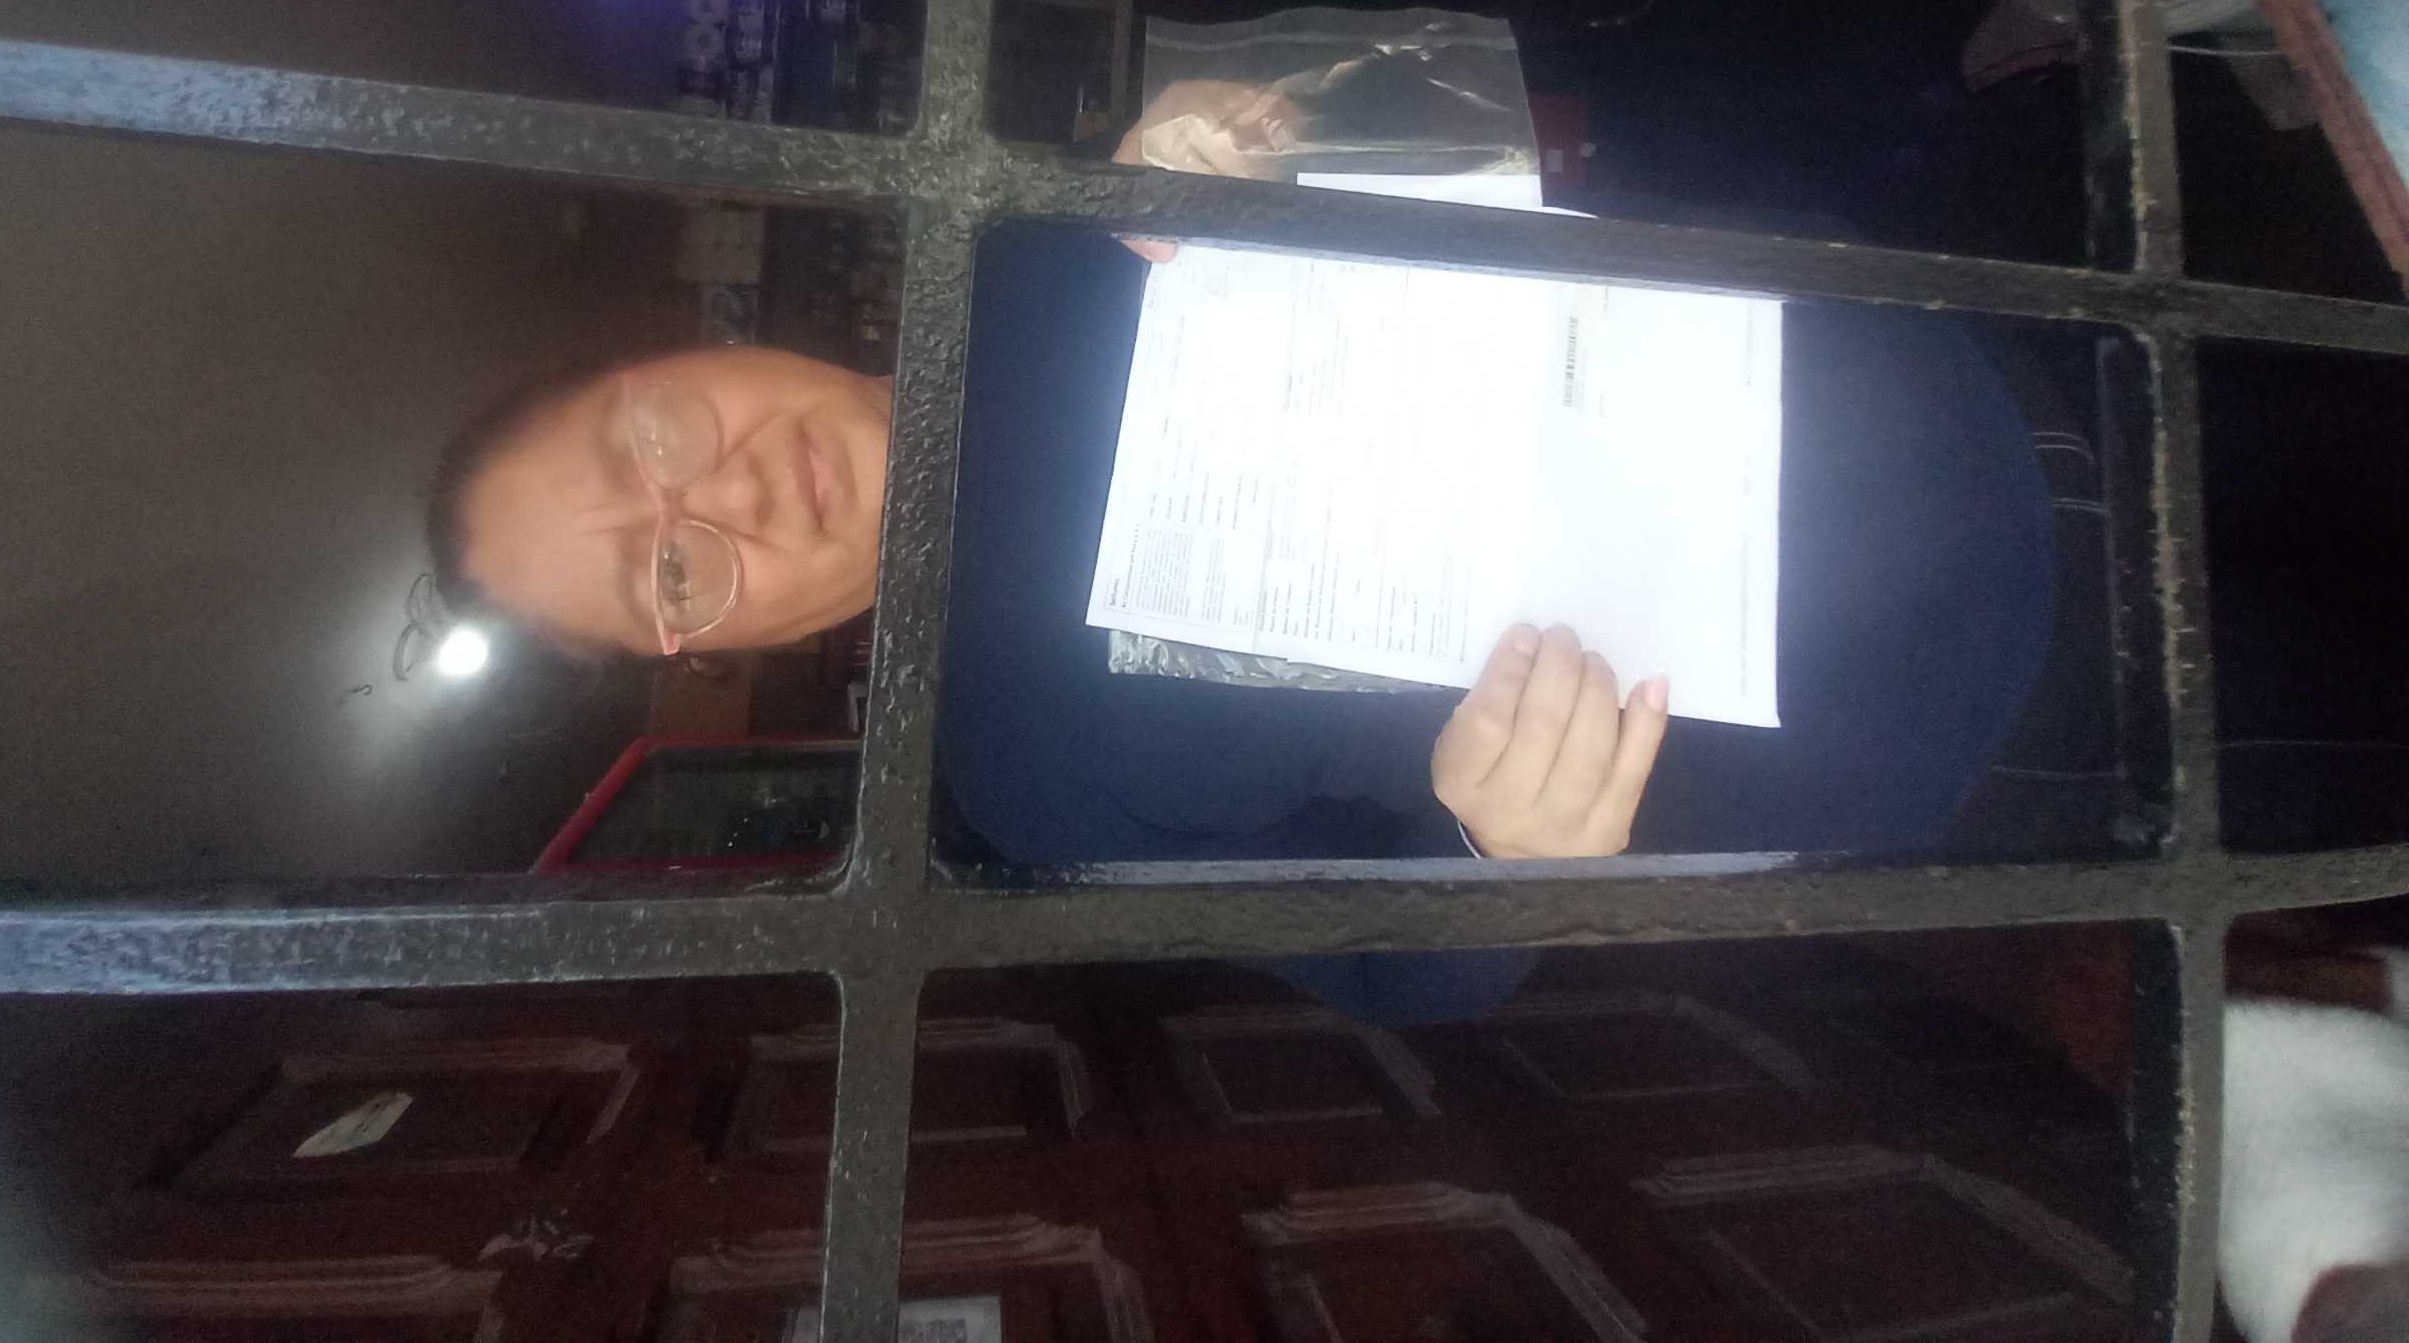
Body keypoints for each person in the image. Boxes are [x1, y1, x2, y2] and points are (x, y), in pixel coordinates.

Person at [431, 84, 2057, 1024]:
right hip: (1943, 731)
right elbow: (1391, 983)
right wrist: (1500, 860)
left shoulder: (1042, 225)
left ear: (682, 350)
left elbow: (1490, 143)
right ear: (717, 650)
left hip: (1923, 349)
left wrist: (1271, 129)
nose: (723, 501)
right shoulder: (1026, 790)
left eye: (648, 441)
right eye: (667, 573)